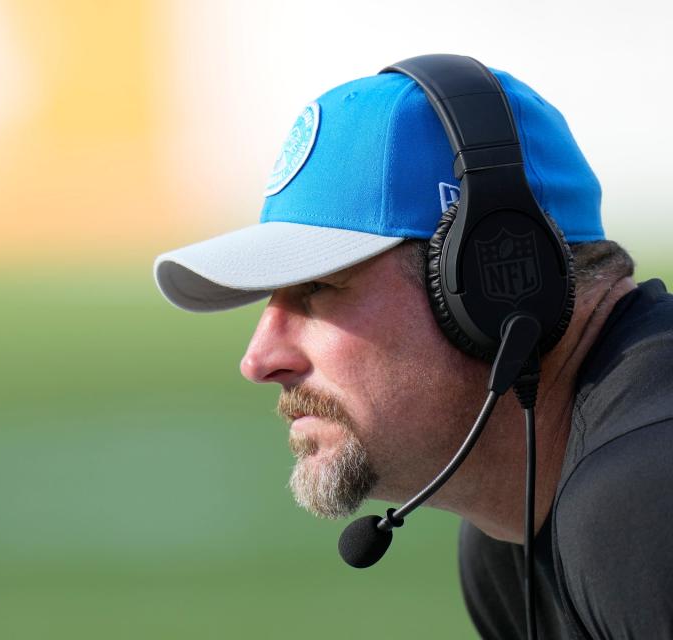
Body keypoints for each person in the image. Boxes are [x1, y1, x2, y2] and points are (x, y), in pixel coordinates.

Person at [152, 58, 673, 639]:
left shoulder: (647, 497)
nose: (260, 360)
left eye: (319, 288)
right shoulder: (506, 536)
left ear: (500, 281)